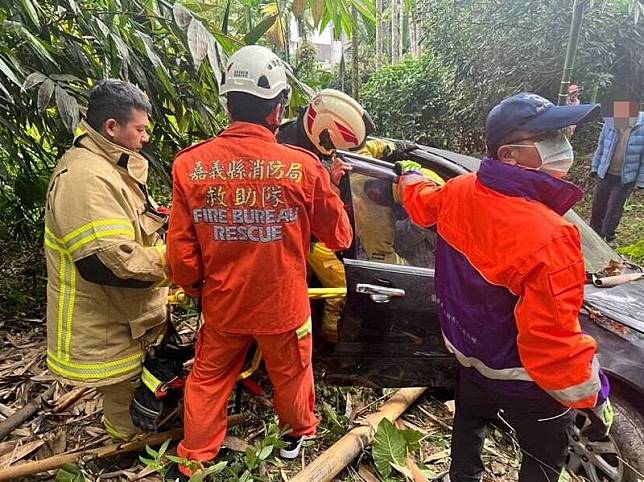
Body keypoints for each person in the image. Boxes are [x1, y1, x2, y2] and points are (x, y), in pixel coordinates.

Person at [395, 92, 612, 482]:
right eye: (548, 137)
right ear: (509, 154)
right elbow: (552, 344)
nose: (562, 145)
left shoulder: (459, 191)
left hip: (469, 359)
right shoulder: (551, 235)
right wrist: (594, 395)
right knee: (541, 464)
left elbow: (422, 201)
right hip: (523, 383)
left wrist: (407, 173)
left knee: (468, 431)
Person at [166, 45, 352, 477]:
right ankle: (296, 434)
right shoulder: (303, 167)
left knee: (210, 378)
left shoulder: (190, 165)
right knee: (291, 372)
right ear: (279, 109)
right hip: (283, 306)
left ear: (228, 103)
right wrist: (330, 185)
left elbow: (181, 252)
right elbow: (340, 236)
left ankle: (195, 458)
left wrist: (198, 289)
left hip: (223, 304)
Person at [44, 79, 169, 441]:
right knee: (126, 408)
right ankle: (127, 450)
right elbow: (109, 260)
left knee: (139, 394)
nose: (145, 138)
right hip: (107, 322)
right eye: (140, 129)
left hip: (125, 316)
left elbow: (130, 227)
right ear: (111, 127)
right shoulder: (85, 178)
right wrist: (176, 264)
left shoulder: (109, 166)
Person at [590, 99, 644, 242]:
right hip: (606, 172)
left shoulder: (641, 126)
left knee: (614, 209)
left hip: (626, 177)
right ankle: (593, 234)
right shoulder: (611, 122)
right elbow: (601, 145)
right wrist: (595, 167)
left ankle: (607, 237)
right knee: (598, 205)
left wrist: (640, 181)